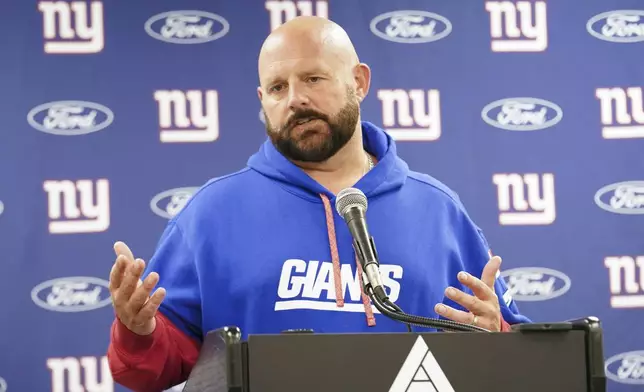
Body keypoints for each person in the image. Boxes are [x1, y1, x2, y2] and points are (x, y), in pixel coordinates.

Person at [106, 15, 531, 392]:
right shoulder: (210, 214)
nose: (295, 99)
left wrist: (495, 334)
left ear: (359, 82)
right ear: (262, 100)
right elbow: (152, 370)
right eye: (277, 87)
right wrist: (138, 331)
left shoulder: (439, 210)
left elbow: (514, 355)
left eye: (313, 79)